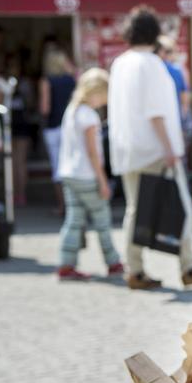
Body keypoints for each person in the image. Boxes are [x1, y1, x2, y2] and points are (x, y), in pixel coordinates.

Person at [108, 5, 192, 289]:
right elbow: (156, 112)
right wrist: (170, 148)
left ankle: (135, 268)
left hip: (128, 149)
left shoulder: (121, 63)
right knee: (180, 206)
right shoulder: (151, 64)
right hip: (155, 148)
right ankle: (188, 265)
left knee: (134, 210)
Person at [55, 68, 124, 281]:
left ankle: (66, 263)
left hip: (68, 173)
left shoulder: (72, 111)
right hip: (87, 176)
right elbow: (93, 153)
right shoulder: (90, 117)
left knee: (73, 220)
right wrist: (103, 181)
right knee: (102, 221)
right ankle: (113, 262)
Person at [39, 50, 76, 214]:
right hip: (70, 127)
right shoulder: (72, 80)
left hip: (54, 126)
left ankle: (62, 206)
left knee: (58, 168)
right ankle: (74, 206)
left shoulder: (47, 81)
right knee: (73, 165)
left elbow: (45, 108)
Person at [6, 58, 38, 207]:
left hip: (11, 124)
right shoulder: (25, 84)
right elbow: (31, 103)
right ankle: (21, 195)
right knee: (20, 162)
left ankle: (13, 195)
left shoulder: (5, 83)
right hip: (22, 124)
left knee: (12, 161)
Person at [157, 36, 192, 153]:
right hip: (172, 123)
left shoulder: (176, 70)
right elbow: (185, 99)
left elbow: (185, 98)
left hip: (168, 123)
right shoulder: (177, 70)